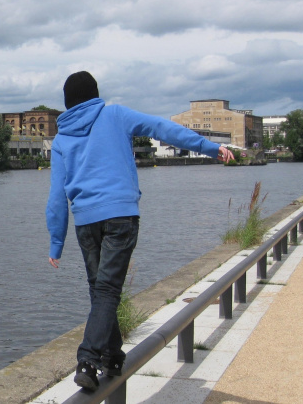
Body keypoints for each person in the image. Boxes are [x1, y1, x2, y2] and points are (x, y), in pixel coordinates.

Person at [45, 71, 234, 391]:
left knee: (100, 291)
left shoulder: (62, 139)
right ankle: (88, 359)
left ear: (67, 103)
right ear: (94, 94)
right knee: (105, 291)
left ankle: (112, 356)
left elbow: (56, 195)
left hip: (86, 223)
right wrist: (208, 147)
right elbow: (163, 128)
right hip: (120, 216)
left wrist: (56, 241)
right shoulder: (114, 114)